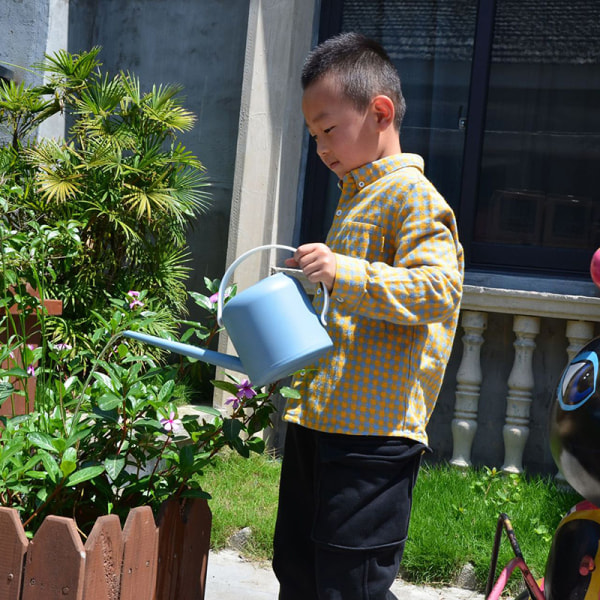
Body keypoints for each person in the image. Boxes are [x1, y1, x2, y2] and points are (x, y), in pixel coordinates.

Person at [272, 32, 464, 600]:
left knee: (350, 582)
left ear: (379, 111)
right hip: (321, 419)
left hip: (374, 437)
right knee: (299, 568)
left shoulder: (414, 196)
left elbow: (438, 290)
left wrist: (342, 273)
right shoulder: (354, 197)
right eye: (313, 135)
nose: (321, 146)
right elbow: (352, 315)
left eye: (328, 129)